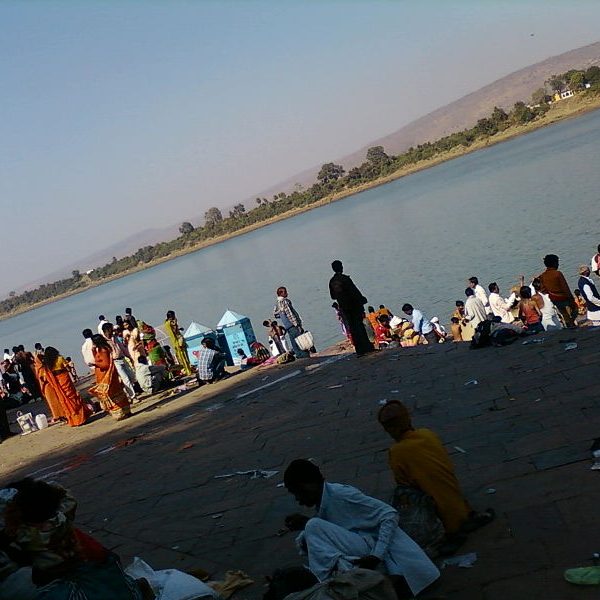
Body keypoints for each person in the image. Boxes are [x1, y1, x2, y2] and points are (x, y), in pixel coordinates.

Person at [282, 459, 439, 599]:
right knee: (309, 534)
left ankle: (323, 587)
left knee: (313, 527)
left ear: (310, 484)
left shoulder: (341, 495)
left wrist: (377, 555)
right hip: (363, 542)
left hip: (375, 549)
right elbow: (338, 528)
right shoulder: (324, 500)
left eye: (298, 492)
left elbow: (389, 514)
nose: (298, 499)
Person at [377, 402, 494, 555]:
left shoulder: (397, 451)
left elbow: (403, 484)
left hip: (443, 518)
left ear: (390, 429)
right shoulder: (426, 434)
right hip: (460, 505)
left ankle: (448, 535)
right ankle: (465, 515)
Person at [328, 261, 374, 357]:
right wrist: (362, 299)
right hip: (353, 305)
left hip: (344, 307)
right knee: (359, 326)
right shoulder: (345, 279)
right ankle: (366, 346)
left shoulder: (332, 281)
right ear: (341, 267)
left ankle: (359, 349)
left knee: (352, 328)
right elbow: (354, 291)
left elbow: (333, 296)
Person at [37, 347, 90, 427]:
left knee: (65, 399)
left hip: (57, 382)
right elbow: (67, 368)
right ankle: (80, 418)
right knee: (73, 397)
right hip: (64, 378)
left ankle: (74, 421)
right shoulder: (60, 358)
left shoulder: (48, 364)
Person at [88, 335, 131, 421]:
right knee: (116, 392)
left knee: (112, 394)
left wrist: (95, 364)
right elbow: (98, 359)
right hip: (106, 375)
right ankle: (125, 411)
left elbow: (105, 364)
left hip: (107, 375)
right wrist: (93, 351)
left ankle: (120, 412)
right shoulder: (101, 349)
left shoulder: (103, 350)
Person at [538, 254, 577, 328]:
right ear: (554, 263)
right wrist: (571, 299)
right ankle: (571, 323)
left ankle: (569, 325)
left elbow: (543, 289)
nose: (558, 264)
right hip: (563, 297)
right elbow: (565, 288)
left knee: (564, 313)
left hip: (554, 299)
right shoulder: (558, 274)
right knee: (575, 310)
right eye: (557, 263)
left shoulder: (543, 275)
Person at [102, 323, 137, 403]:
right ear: (107, 330)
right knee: (125, 379)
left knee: (132, 376)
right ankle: (133, 396)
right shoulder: (104, 341)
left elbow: (122, 347)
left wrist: (129, 356)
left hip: (122, 358)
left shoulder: (114, 337)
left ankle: (128, 393)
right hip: (115, 361)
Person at [274, 286, 310, 358]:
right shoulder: (284, 301)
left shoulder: (277, 303)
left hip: (287, 325)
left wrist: (282, 316)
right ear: (281, 293)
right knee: (299, 339)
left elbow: (276, 314)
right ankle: (303, 354)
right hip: (292, 324)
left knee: (293, 341)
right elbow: (290, 314)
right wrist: (297, 325)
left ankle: (298, 354)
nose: (287, 293)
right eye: (285, 292)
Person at [164, 310, 193, 376]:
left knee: (185, 356)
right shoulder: (168, 324)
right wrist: (177, 344)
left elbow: (175, 330)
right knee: (183, 358)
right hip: (177, 342)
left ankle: (189, 370)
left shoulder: (173, 322)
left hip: (180, 340)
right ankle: (188, 371)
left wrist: (179, 329)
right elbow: (172, 334)